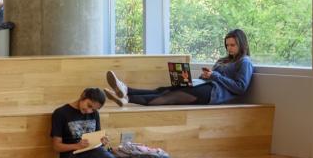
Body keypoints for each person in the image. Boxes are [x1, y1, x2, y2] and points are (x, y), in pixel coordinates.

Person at [105, 29, 254, 107]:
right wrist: (206, 75)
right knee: (163, 90)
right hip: (204, 85)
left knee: (170, 97)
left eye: (232, 45)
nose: (229, 48)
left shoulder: (245, 62)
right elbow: (216, 77)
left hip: (212, 94)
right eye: (227, 45)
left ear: (242, 44)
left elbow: (240, 88)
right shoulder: (224, 60)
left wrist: (214, 76)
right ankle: (126, 90)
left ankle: (127, 97)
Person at [51, 88, 156, 158]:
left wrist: (102, 141)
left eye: (93, 109)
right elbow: (56, 146)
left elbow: (96, 139)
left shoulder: (94, 114)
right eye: (89, 105)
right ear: (83, 96)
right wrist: (77, 146)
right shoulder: (61, 113)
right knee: (99, 154)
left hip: (91, 153)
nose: (89, 111)